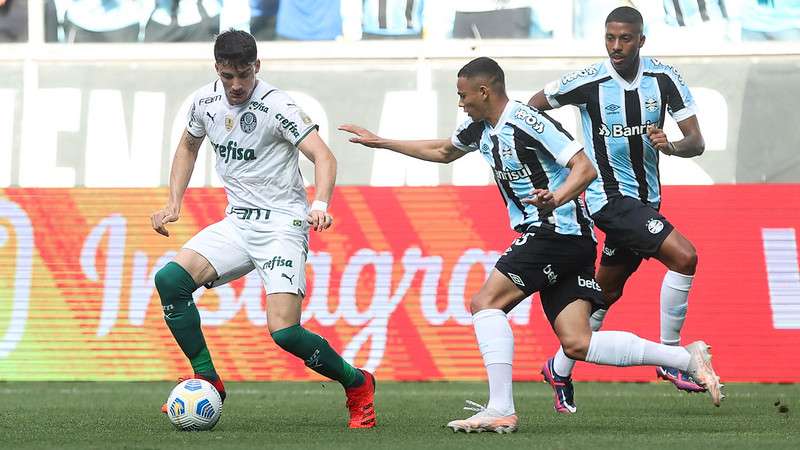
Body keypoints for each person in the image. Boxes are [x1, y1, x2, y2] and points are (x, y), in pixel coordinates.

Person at [341, 56, 722, 434]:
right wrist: (383, 143)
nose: (461, 103)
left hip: (554, 230)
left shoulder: (526, 121)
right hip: (571, 240)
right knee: (577, 342)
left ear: (484, 91)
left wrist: (555, 199)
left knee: (485, 303)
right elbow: (443, 152)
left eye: (463, 95)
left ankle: (500, 408)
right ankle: (685, 358)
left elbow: (585, 168)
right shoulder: (480, 129)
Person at [149, 29, 376, 429]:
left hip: (282, 226)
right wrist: (173, 202)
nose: (237, 85)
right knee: (170, 280)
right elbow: (188, 145)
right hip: (237, 221)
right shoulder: (204, 102)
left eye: (244, 75)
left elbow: (323, 156)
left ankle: (358, 384)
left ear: (257, 66)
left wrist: (319, 204)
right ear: (217, 68)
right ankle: (208, 378)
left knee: (285, 333)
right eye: (228, 76)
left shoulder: (278, 106)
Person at [528, 6, 710, 414]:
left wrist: (672, 146)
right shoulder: (586, 81)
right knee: (685, 256)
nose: (616, 46)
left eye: (625, 39)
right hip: (606, 200)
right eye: (610, 38)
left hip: (645, 202)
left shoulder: (664, 78)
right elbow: (530, 110)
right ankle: (670, 358)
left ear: (641, 40)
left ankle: (558, 368)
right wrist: (566, 160)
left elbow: (696, 141)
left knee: (605, 292)